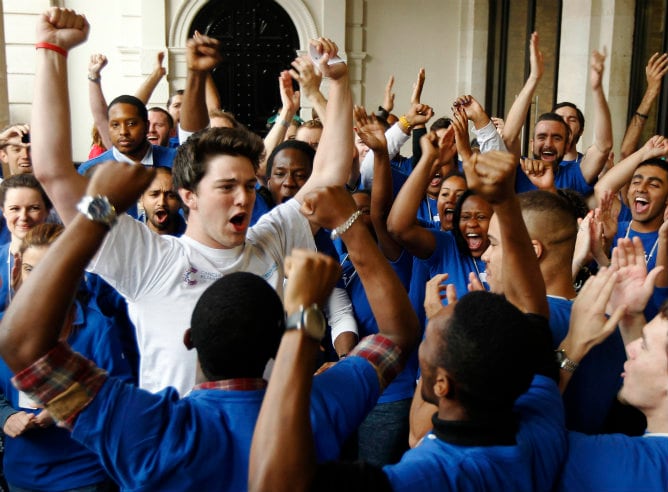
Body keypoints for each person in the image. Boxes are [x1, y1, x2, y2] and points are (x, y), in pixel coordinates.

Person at [0, 155, 419, 490]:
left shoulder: (149, 430)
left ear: (188, 339)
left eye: (249, 187)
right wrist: (351, 228)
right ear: (277, 346)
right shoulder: (322, 404)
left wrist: (99, 210)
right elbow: (397, 335)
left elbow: (22, 346)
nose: (243, 198)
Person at [31, 8, 354, 396]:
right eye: (227, 187)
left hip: (266, 444)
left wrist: (339, 82)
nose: (244, 198)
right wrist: (52, 50)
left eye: (251, 186)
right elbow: (52, 172)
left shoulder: (271, 238)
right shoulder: (151, 258)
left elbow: (329, 175)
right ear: (188, 196)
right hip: (182, 446)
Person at [0, 223, 132, 492]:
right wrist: (5, 415)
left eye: (50, 270)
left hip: (82, 474)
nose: (38, 281)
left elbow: (119, 397)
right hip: (22, 474)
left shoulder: (97, 328)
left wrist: (63, 408)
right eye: (30, 270)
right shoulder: (4, 329)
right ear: (17, 270)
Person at [78, 94, 177, 177]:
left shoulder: (176, 160)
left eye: (131, 124)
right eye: (115, 125)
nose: (123, 132)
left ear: (146, 126)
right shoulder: (88, 170)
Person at [0, 174, 51, 314]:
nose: (23, 217)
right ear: (3, 211)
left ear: (47, 211)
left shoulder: (63, 259)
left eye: (33, 208)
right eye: (14, 208)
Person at [138, 166, 185, 236]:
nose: (161, 203)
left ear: (181, 201)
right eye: (154, 194)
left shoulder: (193, 240)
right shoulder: (129, 232)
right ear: (141, 199)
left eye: (171, 196)